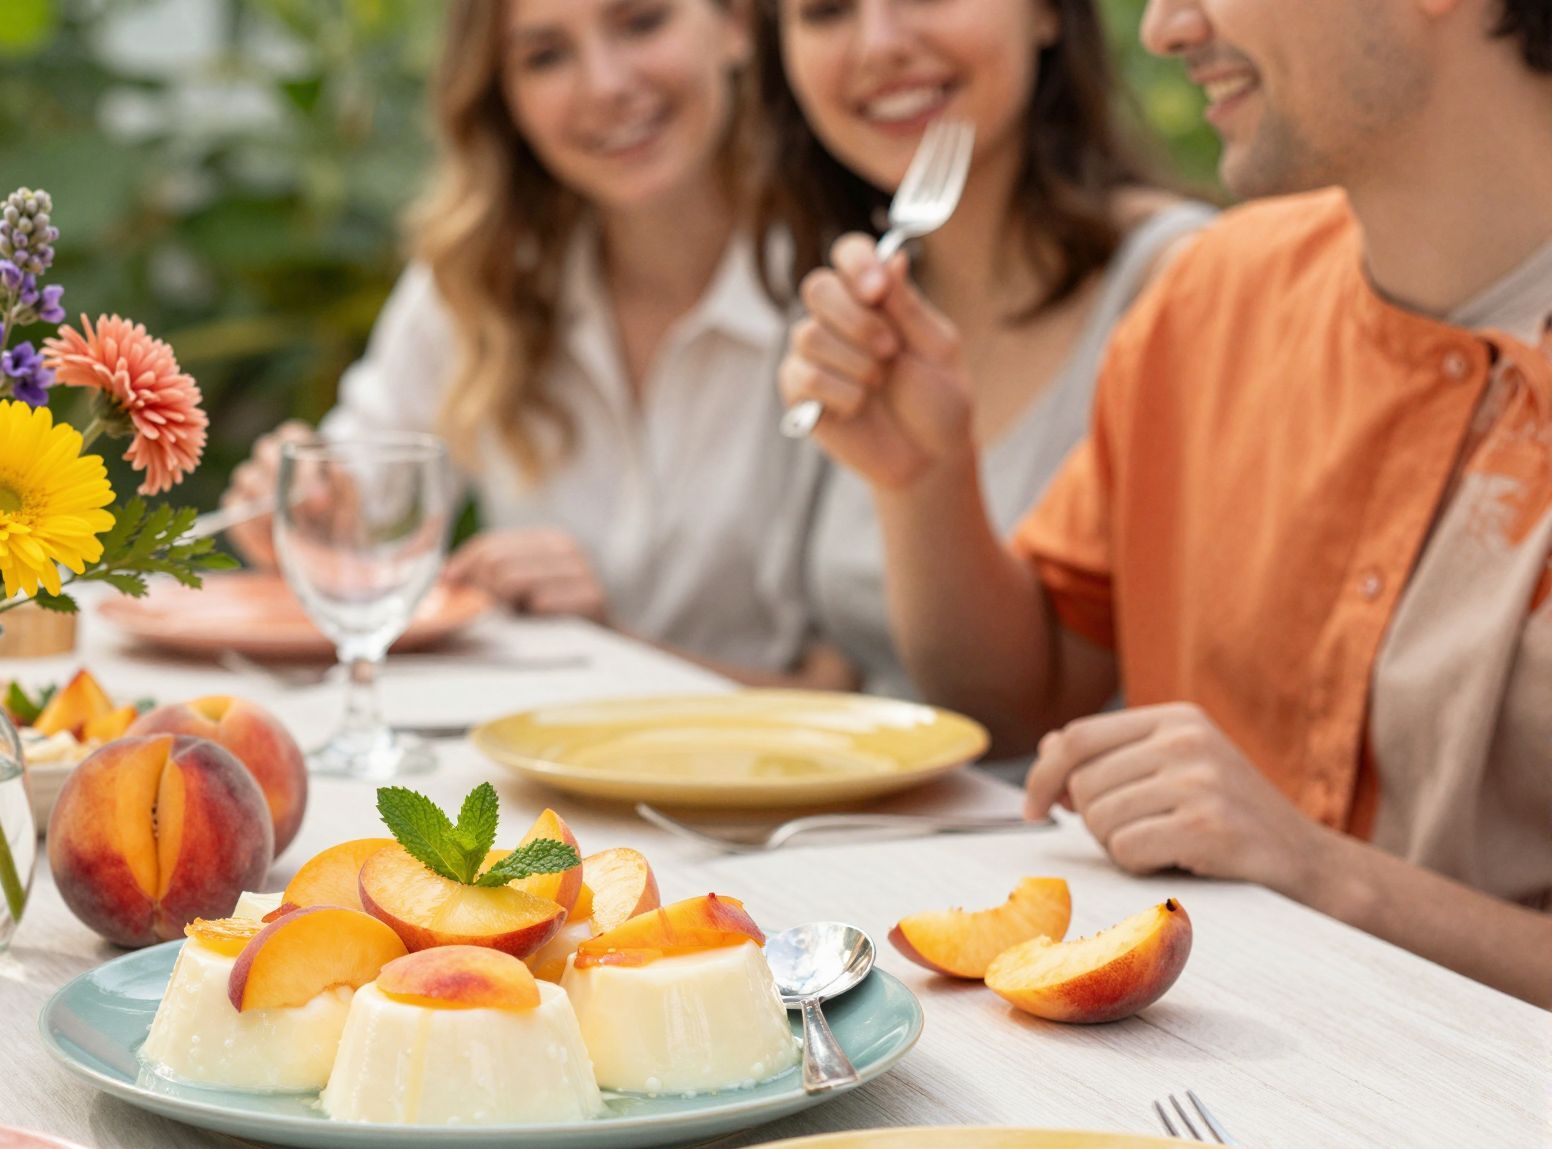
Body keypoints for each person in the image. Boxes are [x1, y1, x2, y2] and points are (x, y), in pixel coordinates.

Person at [780, 0, 1552, 1006]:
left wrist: (1323, 874)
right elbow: (1018, 700)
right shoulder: (1213, 295)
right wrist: (922, 479)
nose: (1163, 29)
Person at [222, 0, 827, 677]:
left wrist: (611, 645)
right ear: (503, 95)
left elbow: (861, 697)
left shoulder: (835, 284)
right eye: (545, 57)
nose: (605, 85)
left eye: (642, 23)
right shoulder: (481, 274)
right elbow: (364, 494)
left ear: (736, 22)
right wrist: (314, 512)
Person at [758, 0, 1212, 698]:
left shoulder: (1184, 282)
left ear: (1047, 13)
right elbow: (834, 684)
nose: (879, 45)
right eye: (825, 10)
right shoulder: (847, 305)